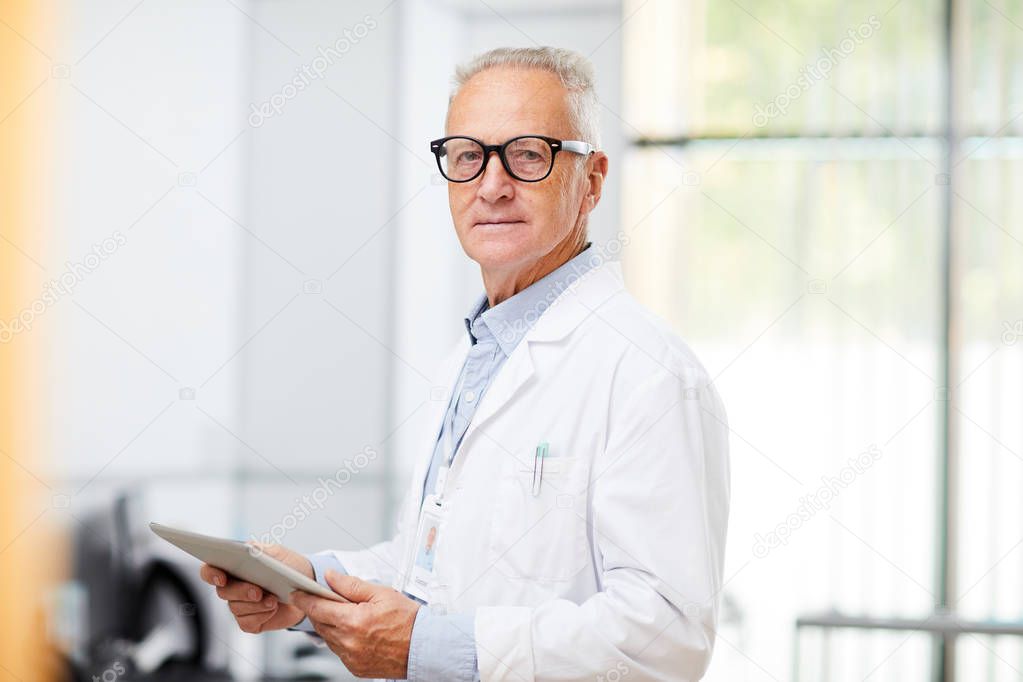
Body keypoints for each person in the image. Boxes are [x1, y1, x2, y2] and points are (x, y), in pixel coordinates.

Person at [200, 46, 730, 681]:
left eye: (528, 154)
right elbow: (427, 569)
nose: (492, 184)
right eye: (468, 156)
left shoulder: (650, 373)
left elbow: (667, 634)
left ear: (590, 182)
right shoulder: (473, 358)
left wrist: (430, 646)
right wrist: (304, 586)